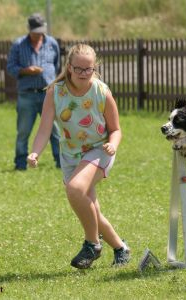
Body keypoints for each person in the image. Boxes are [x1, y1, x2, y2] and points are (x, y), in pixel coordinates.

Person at [27, 43, 130, 269]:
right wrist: (35, 151)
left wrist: (112, 145)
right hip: (71, 155)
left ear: (95, 68)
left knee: (74, 190)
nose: (84, 74)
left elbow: (116, 129)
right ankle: (121, 248)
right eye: (79, 69)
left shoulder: (101, 91)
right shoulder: (55, 92)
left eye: (89, 69)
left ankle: (92, 244)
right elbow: (45, 128)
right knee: (90, 207)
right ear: (69, 67)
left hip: (99, 150)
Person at [7, 13, 61, 170]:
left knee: (55, 130)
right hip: (27, 95)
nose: (39, 34)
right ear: (29, 29)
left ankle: (60, 161)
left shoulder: (52, 43)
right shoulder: (18, 45)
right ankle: (20, 164)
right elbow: (10, 67)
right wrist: (25, 70)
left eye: (41, 30)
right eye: (36, 31)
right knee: (23, 131)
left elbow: (57, 66)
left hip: (48, 95)